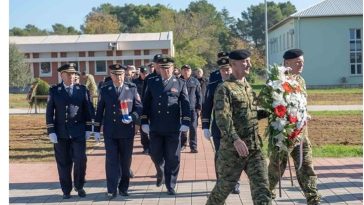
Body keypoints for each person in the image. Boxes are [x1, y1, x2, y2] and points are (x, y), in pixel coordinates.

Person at [206, 50, 271, 205]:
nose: (249, 64)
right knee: (223, 189)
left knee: (262, 188)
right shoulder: (225, 88)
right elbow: (222, 118)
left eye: (249, 61)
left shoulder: (247, 87)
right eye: (245, 62)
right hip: (232, 151)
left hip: (254, 148)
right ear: (233, 64)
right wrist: (235, 139)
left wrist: (272, 112)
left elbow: (251, 113)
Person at [264, 49, 321, 205]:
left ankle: (313, 199)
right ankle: (266, 197)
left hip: (301, 133)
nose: (301, 65)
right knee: (276, 170)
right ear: (287, 63)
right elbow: (271, 106)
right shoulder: (277, 81)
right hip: (283, 135)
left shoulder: (301, 81)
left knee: (307, 167)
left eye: (302, 62)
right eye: (297, 62)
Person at [141, 55, 190, 195]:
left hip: (173, 126)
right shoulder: (152, 82)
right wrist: (144, 121)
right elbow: (146, 103)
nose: (165, 71)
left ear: (173, 68)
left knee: (173, 157)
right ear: (159, 69)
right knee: (155, 153)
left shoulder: (180, 83)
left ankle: (170, 184)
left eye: (168, 68)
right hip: (156, 126)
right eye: (163, 69)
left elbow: (186, 104)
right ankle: (160, 169)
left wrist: (186, 121)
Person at [46, 63, 95, 199]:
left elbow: (88, 110)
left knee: (80, 160)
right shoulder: (54, 90)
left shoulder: (82, 89)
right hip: (60, 133)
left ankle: (79, 186)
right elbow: (49, 112)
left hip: (78, 132)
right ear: (62, 75)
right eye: (69, 74)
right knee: (63, 163)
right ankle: (66, 190)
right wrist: (51, 131)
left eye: (74, 74)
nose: (72, 76)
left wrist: (88, 128)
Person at [94, 63, 143, 199]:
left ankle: (123, 187)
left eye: (121, 74)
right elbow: (99, 111)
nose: (118, 77)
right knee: (111, 160)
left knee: (125, 161)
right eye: (115, 74)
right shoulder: (105, 89)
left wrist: (132, 117)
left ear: (124, 74)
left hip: (126, 131)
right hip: (110, 131)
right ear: (111, 75)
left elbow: (139, 108)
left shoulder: (131, 88)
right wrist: (96, 129)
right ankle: (111, 189)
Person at [202, 57, 243, 194]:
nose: (226, 72)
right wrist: (205, 125)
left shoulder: (238, 83)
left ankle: (235, 182)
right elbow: (207, 105)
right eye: (223, 70)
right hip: (219, 127)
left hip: (236, 127)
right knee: (220, 155)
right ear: (219, 71)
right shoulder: (213, 84)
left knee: (236, 156)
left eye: (228, 69)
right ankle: (221, 181)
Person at [180, 64, 202, 153]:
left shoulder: (195, 81)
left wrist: (199, 107)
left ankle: (193, 146)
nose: (186, 71)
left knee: (193, 127)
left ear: (190, 71)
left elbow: (199, 95)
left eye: (188, 70)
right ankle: (182, 144)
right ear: (181, 71)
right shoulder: (177, 81)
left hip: (192, 108)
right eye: (184, 70)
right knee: (182, 127)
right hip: (181, 108)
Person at [132, 65, 150, 154]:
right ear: (140, 73)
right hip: (139, 108)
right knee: (142, 128)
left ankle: (152, 146)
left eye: (146, 73)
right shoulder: (134, 83)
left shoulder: (151, 81)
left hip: (149, 108)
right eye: (143, 73)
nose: (145, 75)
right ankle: (146, 147)